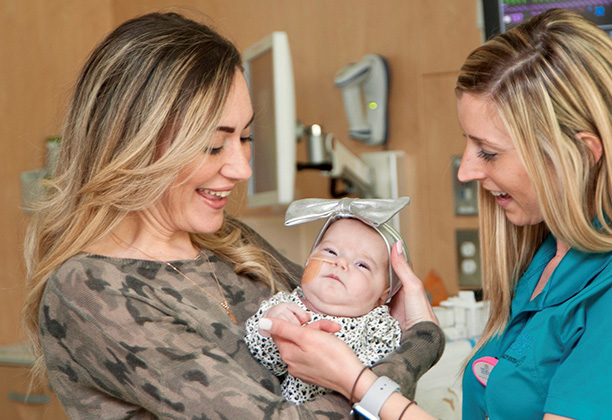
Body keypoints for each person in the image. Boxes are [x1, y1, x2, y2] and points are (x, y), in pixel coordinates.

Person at [260, 8, 612, 420]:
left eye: (488, 152)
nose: (465, 170)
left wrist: (358, 383)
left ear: (583, 154)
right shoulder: (549, 262)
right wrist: (415, 334)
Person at [20, 12, 444, 419]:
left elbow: (358, 327)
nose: (242, 168)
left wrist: (387, 325)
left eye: (245, 137)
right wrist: (419, 343)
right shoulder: (92, 290)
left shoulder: (231, 242)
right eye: (213, 144)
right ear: (134, 142)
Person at [245, 197, 410, 404]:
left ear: (382, 295)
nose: (340, 262)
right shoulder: (285, 306)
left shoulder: (378, 325)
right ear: (307, 261)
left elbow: (390, 373)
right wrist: (268, 329)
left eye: (362, 265)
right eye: (330, 252)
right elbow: (266, 363)